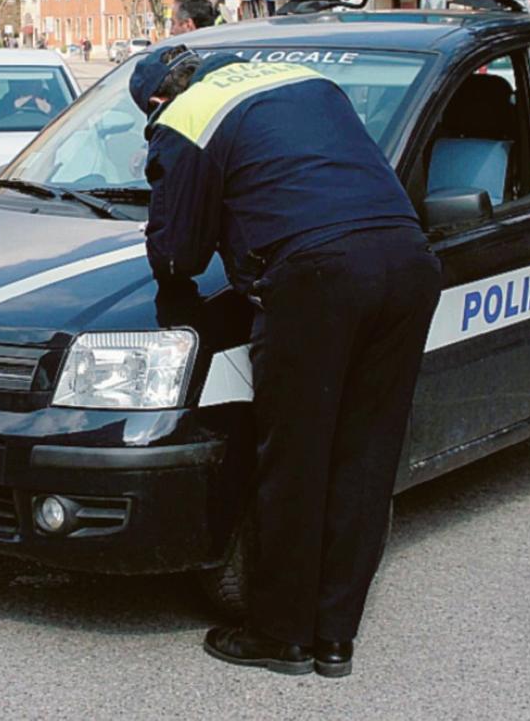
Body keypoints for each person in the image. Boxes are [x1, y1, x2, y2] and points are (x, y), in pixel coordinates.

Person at [130, 44, 443, 679]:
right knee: (365, 457)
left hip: (318, 275)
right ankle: (335, 639)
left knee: (296, 458)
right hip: (408, 262)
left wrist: (175, 271)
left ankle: (280, 635)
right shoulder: (305, 79)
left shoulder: (190, 114)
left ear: (159, 101)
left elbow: (181, 250)